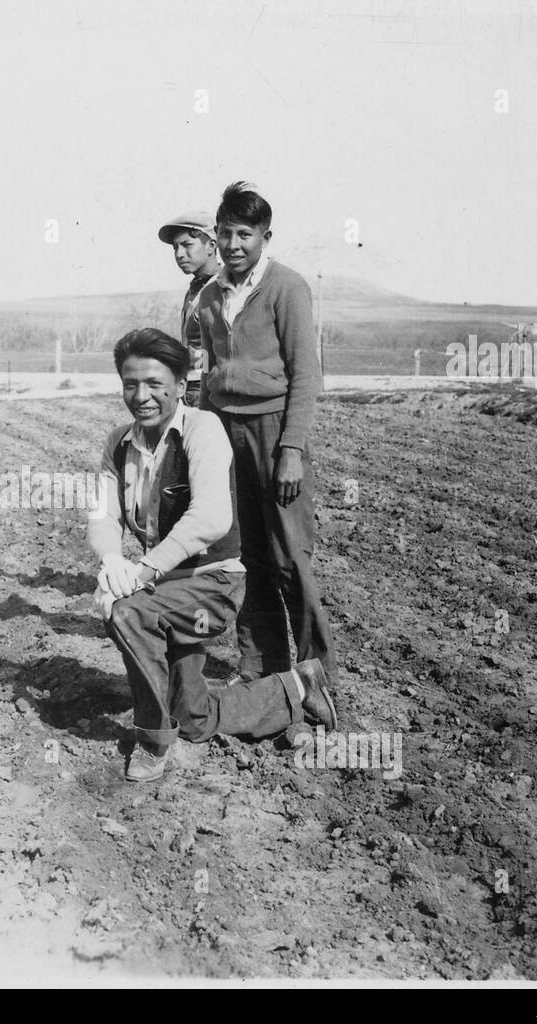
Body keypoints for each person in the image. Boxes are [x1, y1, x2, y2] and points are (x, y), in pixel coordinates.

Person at [88, 328, 336, 782]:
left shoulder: (203, 430)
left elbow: (210, 519)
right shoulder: (119, 443)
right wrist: (111, 562)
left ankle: (152, 739)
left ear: (181, 386)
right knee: (196, 717)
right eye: (129, 384)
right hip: (167, 587)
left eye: (154, 384)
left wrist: (141, 571)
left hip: (212, 585)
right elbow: (103, 515)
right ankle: (299, 686)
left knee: (127, 614)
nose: (141, 396)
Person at [196, 181, 337, 686]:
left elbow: (306, 375)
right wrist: (203, 444)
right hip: (226, 434)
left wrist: (292, 450)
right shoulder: (210, 297)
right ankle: (262, 667)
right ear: (215, 236)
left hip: (274, 432)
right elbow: (210, 380)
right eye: (225, 234)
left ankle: (315, 677)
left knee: (290, 559)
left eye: (245, 235)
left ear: (264, 236)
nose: (234, 245)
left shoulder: (287, 288)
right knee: (244, 556)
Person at [157, 211, 221, 406]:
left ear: (211, 245)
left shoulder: (222, 289)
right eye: (175, 247)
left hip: (208, 389)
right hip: (190, 386)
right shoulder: (194, 289)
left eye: (187, 245)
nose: (179, 254)